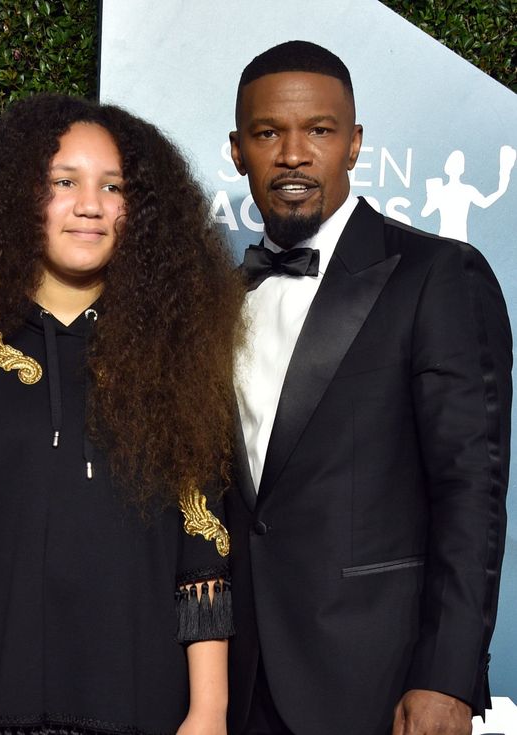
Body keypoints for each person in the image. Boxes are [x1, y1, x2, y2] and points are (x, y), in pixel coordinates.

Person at [0, 93, 243, 735]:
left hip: (147, 706)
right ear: (18, 196)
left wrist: (208, 711)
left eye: (113, 187)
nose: (90, 205)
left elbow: (204, 550)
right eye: (64, 182)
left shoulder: (179, 359)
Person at [226, 40, 511, 735]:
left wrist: (446, 676)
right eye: (269, 133)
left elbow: (469, 491)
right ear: (238, 151)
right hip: (235, 677)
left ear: (354, 144)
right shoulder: (218, 296)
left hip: (376, 684)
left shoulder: (438, 275)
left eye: (319, 131)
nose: (294, 154)